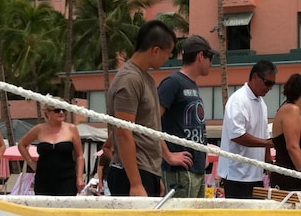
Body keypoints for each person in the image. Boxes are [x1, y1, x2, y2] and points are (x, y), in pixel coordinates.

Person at [106, 20, 180, 197]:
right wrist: (136, 183)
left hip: (146, 170)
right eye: (167, 53)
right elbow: (124, 132)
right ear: (155, 50)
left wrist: (155, 175)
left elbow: (150, 128)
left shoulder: (146, 79)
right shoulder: (130, 79)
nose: (167, 58)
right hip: (131, 174)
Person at [158, 34, 214, 198]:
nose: (211, 62)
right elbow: (151, 121)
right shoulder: (173, 83)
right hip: (180, 170)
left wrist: (203, 153)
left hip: (196, 167)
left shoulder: (191, 84)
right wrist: (167, 155)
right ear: (200, 56)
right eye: (210, 57)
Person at [218, 60, 277, 199]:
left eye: (273, 84)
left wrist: (269, 165)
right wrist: (267, 143)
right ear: (255, 77)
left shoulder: (261, 103)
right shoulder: (238, 100)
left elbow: (265, 135)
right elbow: (237, 135)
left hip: (255, 175)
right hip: (236, 175)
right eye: (268, 83)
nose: (270, 88)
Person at [18, 105, 85, 196]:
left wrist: (80, 177)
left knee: (65, 207)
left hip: (67, 177)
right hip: (43, 177)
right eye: (57, 110)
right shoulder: (39, 129)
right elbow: (22, 144)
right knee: (43, 207)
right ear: (47, 113)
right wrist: (32, 163)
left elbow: (80, 155)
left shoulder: (71, 128)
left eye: (63, 110)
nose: (61, 112)